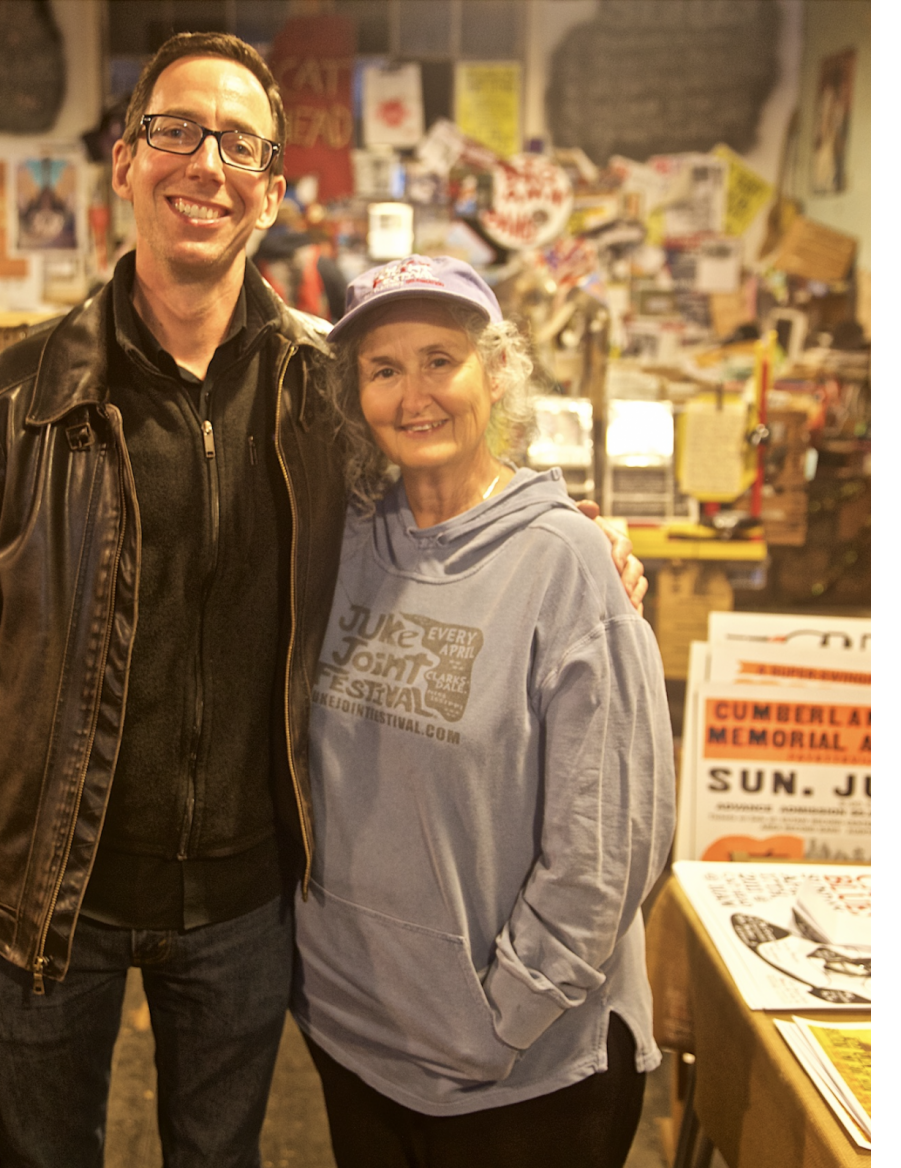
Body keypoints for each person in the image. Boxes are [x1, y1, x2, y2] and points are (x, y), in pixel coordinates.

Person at [0, 33, 645, 1167]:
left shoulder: (325, 388)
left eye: (240, 143)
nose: (208, 163)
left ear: (273, 191)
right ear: (126, 161)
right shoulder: (11, 396)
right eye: (176, 131)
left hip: (246, 899)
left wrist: (573, 528)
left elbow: (445, 464)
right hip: (44, 895)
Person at [292, 255, 675, 1168]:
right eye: (384, 370)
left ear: (497, 371)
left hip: (525, 1068)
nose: (414, 395)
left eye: (441, 360)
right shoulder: (341, 541)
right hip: (355, 1035)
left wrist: (503, 1016)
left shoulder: (566, 561)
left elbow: (611, 843)